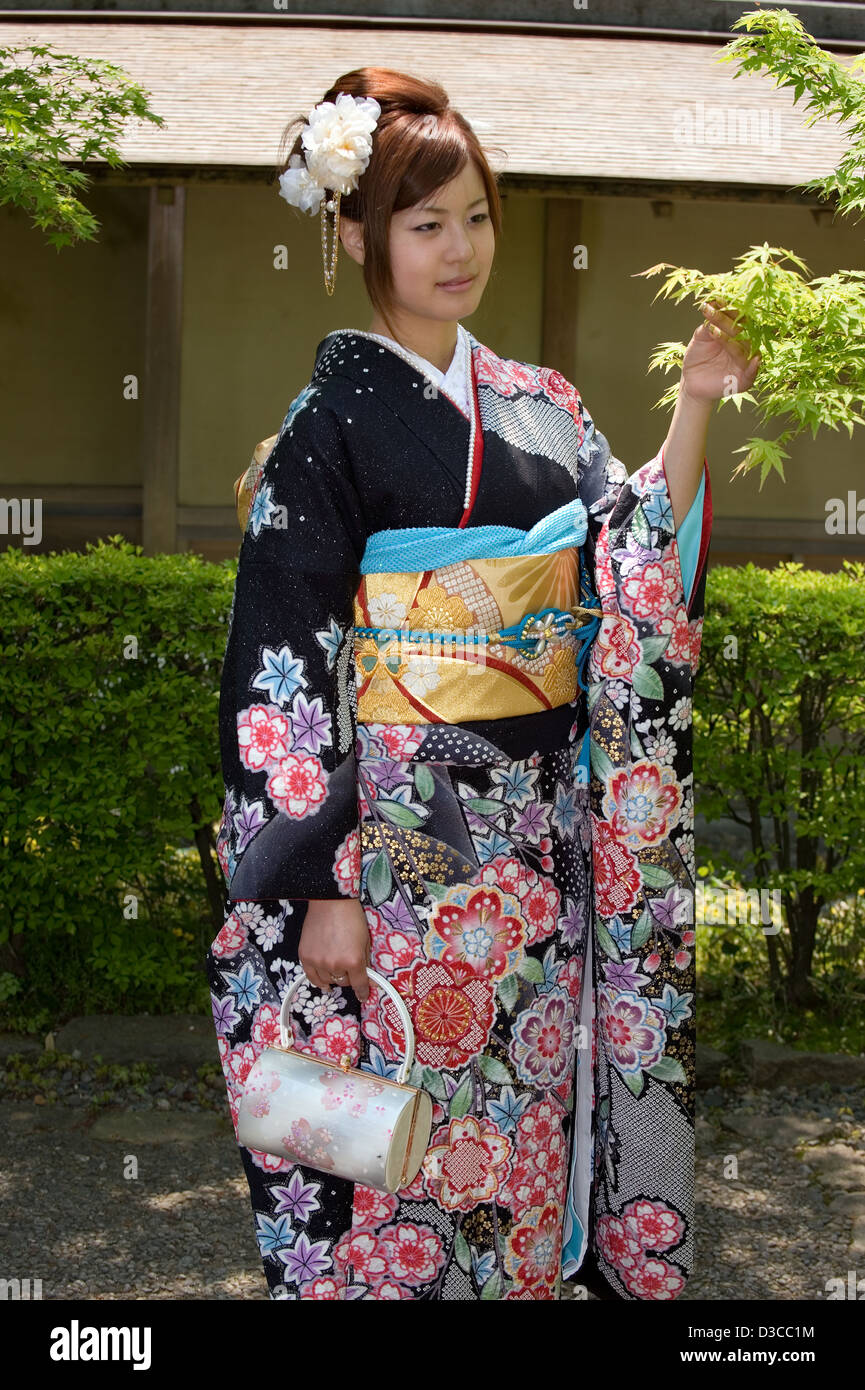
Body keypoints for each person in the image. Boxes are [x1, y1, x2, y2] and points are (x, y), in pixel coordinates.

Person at [205, 67, 759, 1301]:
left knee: (518, 1119)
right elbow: (283, 662)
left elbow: (620, 561)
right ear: (358, 236)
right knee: (405, 1128)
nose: (460, 249)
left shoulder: (544, 408)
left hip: (534, 847)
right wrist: (317, 883)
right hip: (394, 845)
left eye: (477, 217)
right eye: (424, 223)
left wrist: (692, 409)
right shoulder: (329, 424)